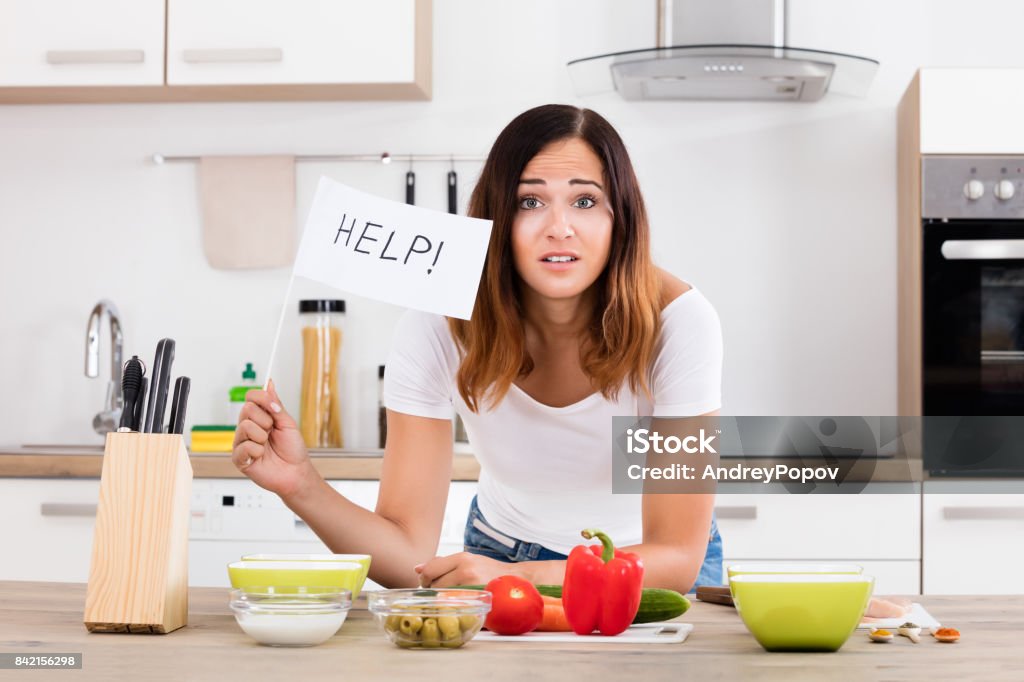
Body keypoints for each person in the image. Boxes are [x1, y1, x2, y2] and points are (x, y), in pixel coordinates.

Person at [233, 104, 723, 593]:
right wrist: (302, 486)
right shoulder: (436, 327)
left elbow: (677, 554)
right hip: (502, 551)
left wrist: (520, 578)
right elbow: (407, 554)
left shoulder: (678, 323)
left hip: (641, 566)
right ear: (497, 218)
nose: (559, 227)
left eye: (585, 201)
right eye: (530, 202)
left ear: (622, 217)